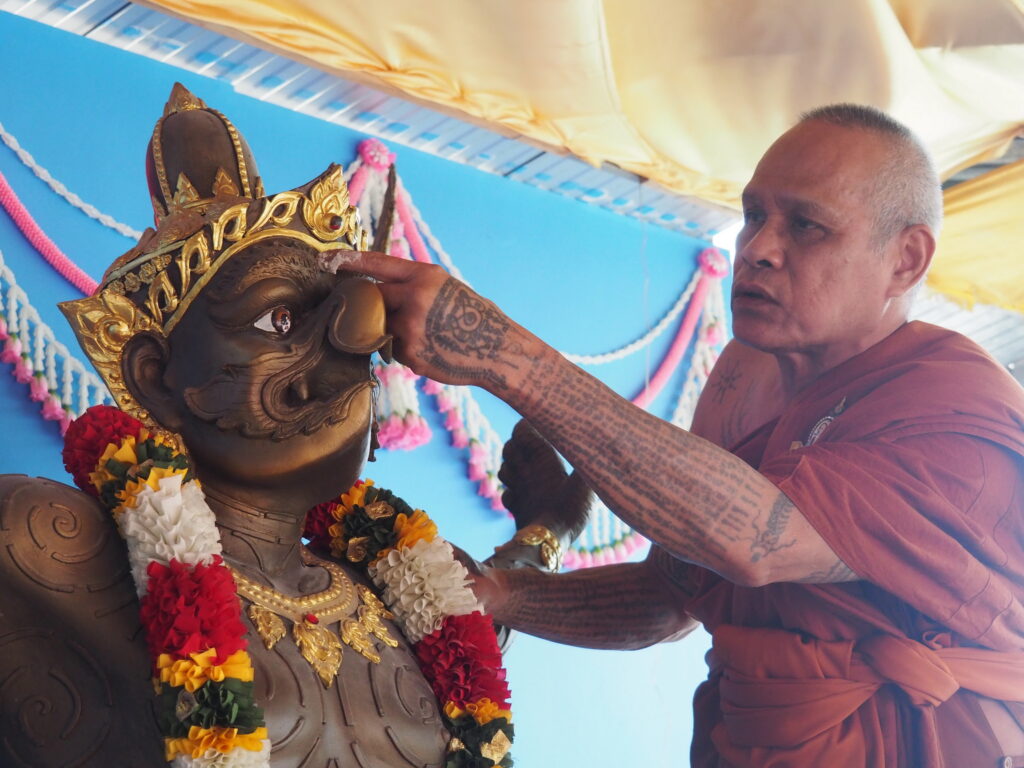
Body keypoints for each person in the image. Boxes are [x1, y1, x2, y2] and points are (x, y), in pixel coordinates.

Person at [340, 105, 1024, 766]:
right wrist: (500, 594)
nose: (756, 250)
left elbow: (759, 542)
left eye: (808, 227)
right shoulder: (745, 372)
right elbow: (674, 597)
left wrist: (503, 356)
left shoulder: (955, 403)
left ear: (905, 260)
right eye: (755, 215)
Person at [0, 84, 578, 767]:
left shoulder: (411, 588)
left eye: (339, 313)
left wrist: (551, 528)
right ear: (157, 378)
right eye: (279, 319)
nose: (350, 343)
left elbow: (503, 582)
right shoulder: (45, 547)